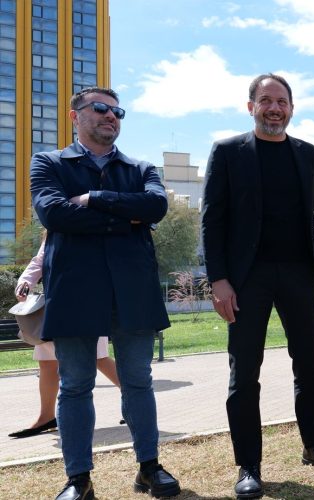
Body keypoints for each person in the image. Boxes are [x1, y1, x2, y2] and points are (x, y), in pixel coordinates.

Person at [30, 87, 180, 499]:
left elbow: (154, 209)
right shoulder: (48, 163)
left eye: (118, 112)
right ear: (75, 115)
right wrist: (125, 218)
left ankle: (149, 467)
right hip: (75, 291)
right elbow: (53, 213)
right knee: (75, 384)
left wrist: (96, 199)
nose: (111, 116)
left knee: (138, 381)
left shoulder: (142, 168)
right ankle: (79, 478)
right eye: (100, 109)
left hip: (134, 291)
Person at [201, 74, 314, 498]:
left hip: (299, 275)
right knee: (244, 373)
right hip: (246, 280)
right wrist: (219, 279)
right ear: (251, 107)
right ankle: (248, 465)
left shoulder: (308, 153)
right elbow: (212, 219)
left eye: (281, 101)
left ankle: (313, 445)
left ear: (292, 108)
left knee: (310, 366)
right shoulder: (227, 152)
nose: (274, 108)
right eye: (266, 101)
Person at [8, 239, 122, 440]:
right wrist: (25, 281)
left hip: (88, 306)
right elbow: (39, 261)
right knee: (47, 363)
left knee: (98, 358)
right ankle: (46, 417)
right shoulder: (54, 227)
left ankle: (135, 400)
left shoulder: (94, 222)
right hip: (54, 307)